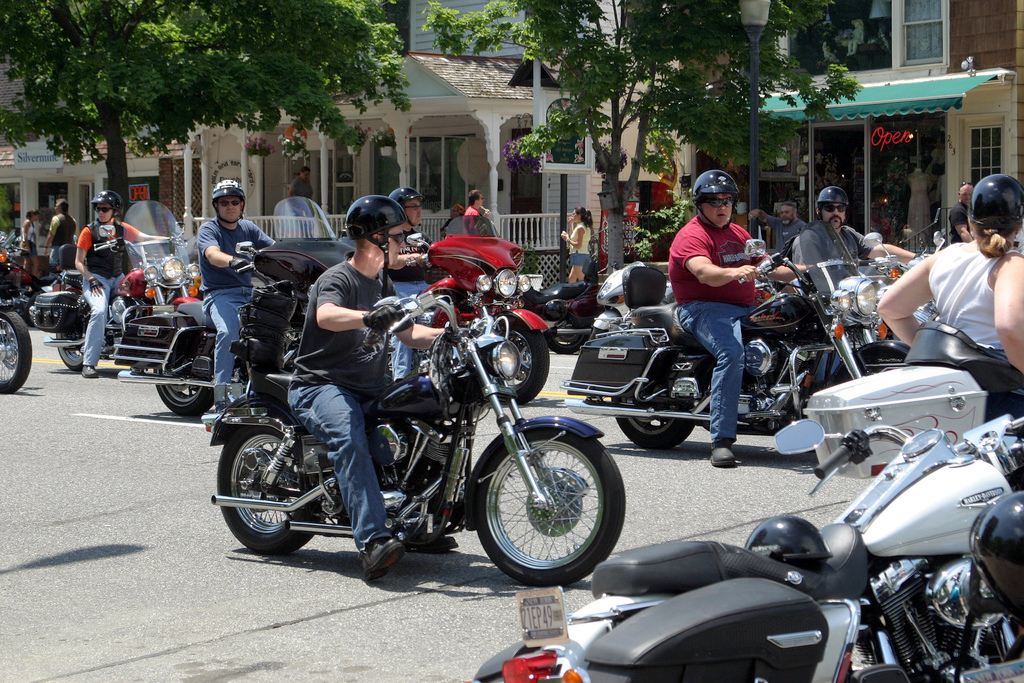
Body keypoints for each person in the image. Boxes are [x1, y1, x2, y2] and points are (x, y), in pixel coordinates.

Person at [287, 195, 446, 583]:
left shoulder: (382, 282)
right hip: (321, 384)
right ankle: (373, 541)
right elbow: (326, 315)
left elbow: (409, 334)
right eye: (398, 236)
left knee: (426, 415)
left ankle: (424, 520)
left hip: (370, 386)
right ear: (376, 238)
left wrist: (453, 335)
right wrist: (368, 316)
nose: (404, 243)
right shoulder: (338, 278)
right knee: (349, 435)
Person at [668, 170, 795, 468]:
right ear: (700, 203)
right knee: (731, 353)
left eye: (727, 200)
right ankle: (722, 440)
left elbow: (769, 266)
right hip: (702, 308)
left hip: (743, 308)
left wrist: (809, 269)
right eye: (714, 200)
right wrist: (735, 272)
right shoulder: (692, 235)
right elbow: (704, 272)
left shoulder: (739, 234)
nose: (722, 206)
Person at [878, 174, 1024, 421]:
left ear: (971, 220)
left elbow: (889, 308)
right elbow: (1010, 328)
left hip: (949, 391)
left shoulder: (945, 256)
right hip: (999, 393)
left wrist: (941, 356)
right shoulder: (1011, 263)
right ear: (1018, 225)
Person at [197, 179, 275, 407]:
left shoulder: (248, 228)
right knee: (229, 331)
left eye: (234, 202)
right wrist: (233, 261)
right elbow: (212, 254)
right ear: (216, 206)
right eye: (224, 203)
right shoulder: (209, 229)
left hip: (250, 293)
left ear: (242, 205)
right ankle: (221, 395)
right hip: (219, 294)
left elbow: (273, 249)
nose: (229, 206)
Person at [75, 191, 166, 379]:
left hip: (117, 276)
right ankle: (89, 363)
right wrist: (91, 279)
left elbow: (143, 238)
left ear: (115, 211)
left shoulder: (122, 229)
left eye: (104, 209)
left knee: (141, 303)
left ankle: (138, 356)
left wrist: (169, 239)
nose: (100, 212)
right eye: (98, 209)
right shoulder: (89, 231)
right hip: (97, 277)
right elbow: (78, 262)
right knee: (99, 311)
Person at [790, 186, 915, 267]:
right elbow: (804, 272)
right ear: (819, 211)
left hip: (850, 294)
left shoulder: (849, 234)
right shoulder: (809, 238)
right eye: (829, 208)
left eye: (841, 208)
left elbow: (878, 249)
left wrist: (916, 259)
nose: (836, 212)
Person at [387, 187, 430, 378]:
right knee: (405, 321)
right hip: (398, 286)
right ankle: (401, 378)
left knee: (446, 310)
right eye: (414, 206)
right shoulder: (389, 237)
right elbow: (388, 262)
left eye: (419, 206)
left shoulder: (422, 239)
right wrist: (411, 257)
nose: (419, 210)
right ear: (400, 210)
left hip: (422, 286)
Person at [45, 198, 78, 273]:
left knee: (54, 267)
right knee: (66, 269)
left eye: (56, 206)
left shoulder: (56, 219)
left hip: (57, 247)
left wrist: (46, 246)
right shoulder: (72, 220)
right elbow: (75, 236)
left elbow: (51, 234)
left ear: (60, 208)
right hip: (68, 248)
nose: (55, 208)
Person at [561, 207, 593, 283]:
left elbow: (578, 245)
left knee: (582, 280)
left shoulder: (580, 228)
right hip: (581, 254)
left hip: (578, 255)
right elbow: (572, 238)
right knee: (571, 279)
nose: (572, 215)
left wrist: (567, 239)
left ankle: (591, 290)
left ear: (579, 215)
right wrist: (571, 224)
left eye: (574, 214)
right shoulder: (582, 226)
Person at [19, 210, 39, 274]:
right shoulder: (27, 222)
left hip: (31, 243)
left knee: (27, 262)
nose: (38, 217)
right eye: (37, 216)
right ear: (33, 215)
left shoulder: (31, 223)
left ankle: (25, 276)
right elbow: (25, 234)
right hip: (28, 243)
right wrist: (27, 247)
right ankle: (34, 277)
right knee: (36, 263)